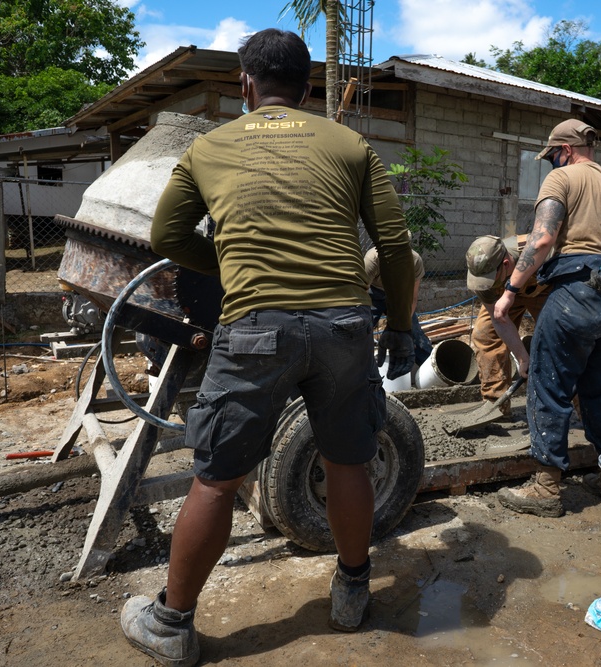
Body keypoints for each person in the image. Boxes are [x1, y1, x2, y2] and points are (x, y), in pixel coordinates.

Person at [119, 29, 416, 667]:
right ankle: (351, 591)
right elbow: (393, 249)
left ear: (246, 86)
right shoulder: (350, 143)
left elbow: (167, 235)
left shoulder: (208, 147)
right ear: (307, 90)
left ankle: (171, 624)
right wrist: (399, 324)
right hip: (343, 326)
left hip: (253, 328)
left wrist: (229, 266)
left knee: (218, 478)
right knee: (348, 462)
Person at [494, 119, 601, 518]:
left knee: (548, 381)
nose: (552, 163)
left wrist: (510, 291)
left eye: (553, 155)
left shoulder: (562, 180)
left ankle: (546, 486)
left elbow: (542, 239)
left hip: (581, 292)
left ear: (566, 150)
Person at [464, 235, 548, 415]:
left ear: (506, 263)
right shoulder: (482, 275)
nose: (484, 285)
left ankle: (583, 409)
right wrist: (523, 358)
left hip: (544, 289)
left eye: (489, 279)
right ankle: (496, 403)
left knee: (561, 339)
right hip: (505, 295)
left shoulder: (540, 249)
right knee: (485, 334)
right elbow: (498, 318)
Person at [363, 242, 433, 368]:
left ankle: (431, 370)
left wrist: (400, 326)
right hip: (373, 293)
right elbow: (361, 294)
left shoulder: (415, 261)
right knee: (362, 330)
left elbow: (413, 297)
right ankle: (356, 372)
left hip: (399, 294)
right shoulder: (372, 259)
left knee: (413, 332)